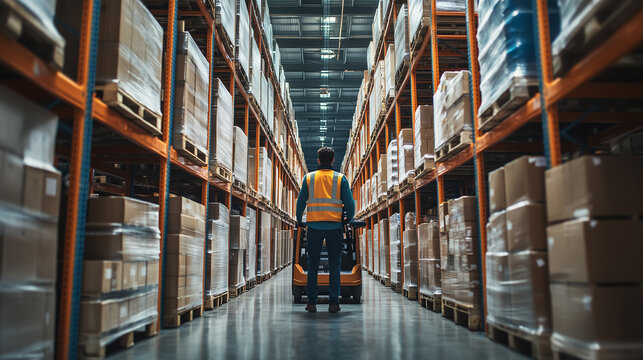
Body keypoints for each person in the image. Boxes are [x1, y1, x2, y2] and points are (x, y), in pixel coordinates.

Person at [296, 146, 355, 313]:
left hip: (314, 227)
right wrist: (348, 219)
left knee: (312, 264)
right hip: (335, 228)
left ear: (319, 160)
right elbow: (349, 204)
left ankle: (312, 302)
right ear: (333, 160)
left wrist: (299, 219)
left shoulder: (309, 178)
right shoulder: (340, 179)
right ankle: (334, 303)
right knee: (334, 264)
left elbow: (300, 202)